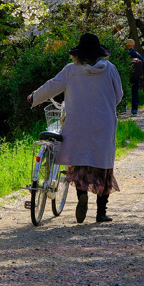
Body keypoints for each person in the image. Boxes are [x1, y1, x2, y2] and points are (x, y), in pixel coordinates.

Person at [27, 32, 123, 223]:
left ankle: (82, 197)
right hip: (103, 124)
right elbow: (118, 95)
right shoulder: (110, 69)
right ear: (99, 53)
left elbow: (52, 85)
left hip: (77, 124)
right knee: (103, 166)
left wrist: (34, 97)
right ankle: (101, 213)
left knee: (79, 163)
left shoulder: (71, 70)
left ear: (78, 54)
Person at [125, 38, 144, 116]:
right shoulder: (137, 55)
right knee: (135, 92)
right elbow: (143, 65)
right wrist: (142, 74)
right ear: (133, 45)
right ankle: (134, 110)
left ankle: (123, 108)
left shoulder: (123, 54)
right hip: (136, 77)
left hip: (126, 76)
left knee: (124, 91)